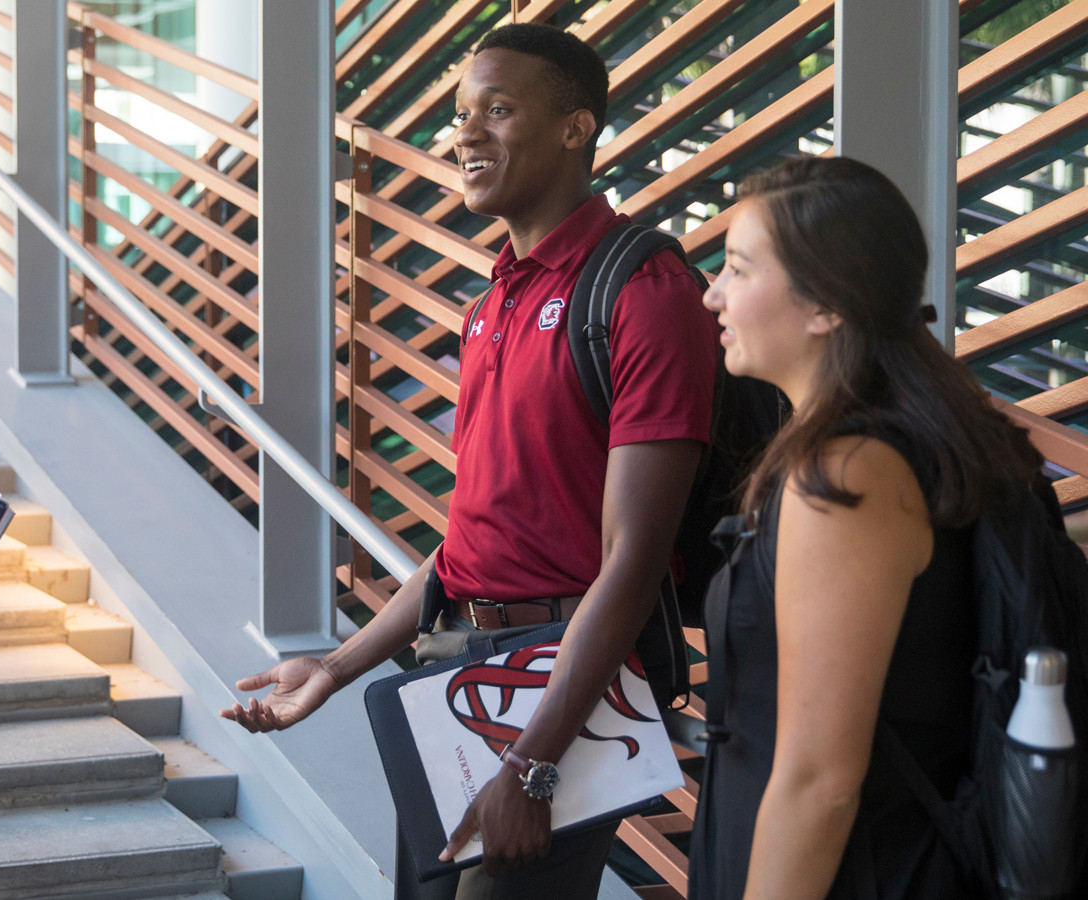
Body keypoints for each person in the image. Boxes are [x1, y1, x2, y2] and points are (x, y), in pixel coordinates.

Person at [223, 23, 718, 900]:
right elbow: (467, 551)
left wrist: (533, 765)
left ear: (576, 128)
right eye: (459, 114)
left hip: (562, 685)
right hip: (457, 675)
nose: (466, 133)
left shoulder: (642, 292)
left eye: (498, 108)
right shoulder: (490, 302)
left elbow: (634, 562)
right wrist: (335, 671)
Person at [686, 156, 1044, 899]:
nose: (712, 296)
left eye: (738, 270)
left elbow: (821, 783)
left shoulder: (848, 475)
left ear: (826, 306)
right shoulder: (882, 443)